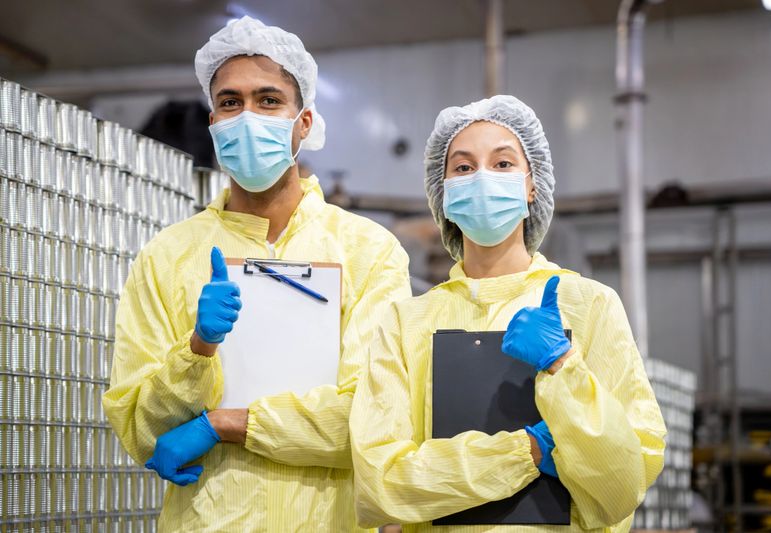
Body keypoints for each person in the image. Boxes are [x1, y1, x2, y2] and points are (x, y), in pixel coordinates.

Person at [102, 16, 411, 531]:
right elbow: (142, 431)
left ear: (304, 122)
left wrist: (223, 424)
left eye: (268, 101)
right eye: (230, 102)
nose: (247, 117)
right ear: (212, 124)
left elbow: (374, 421)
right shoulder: (168, 255)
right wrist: (197, 351)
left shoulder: (368, 251)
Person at [349, 95, 667, 532]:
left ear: (532, 184)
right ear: (443, 194)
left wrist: (563, 367)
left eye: (502, 164)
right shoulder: (407, 321)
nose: (482, 177)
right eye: (463, 168)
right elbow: (380, 482)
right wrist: (529, 452)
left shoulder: (590, 304)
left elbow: (625, 482)